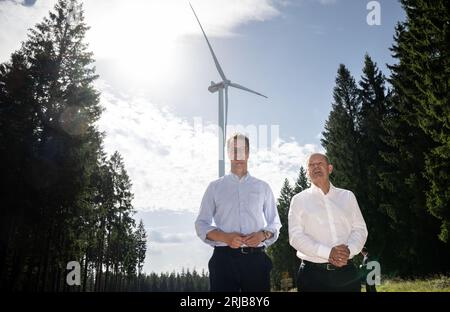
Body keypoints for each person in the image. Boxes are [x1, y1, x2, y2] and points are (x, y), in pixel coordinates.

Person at [195, 133, 281, 292]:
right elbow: (201, 224)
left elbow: (275, 222)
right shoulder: (214, 187)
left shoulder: (263, 187)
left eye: (242, 150)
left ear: (248, 153)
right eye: (234, 150)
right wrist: (225, 237)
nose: (238, 155)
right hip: (223, 261)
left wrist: (262, 235)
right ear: (228, 154)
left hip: (256, 261)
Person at [288, 153, 368, 292]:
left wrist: (349, 251)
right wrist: (328, 253)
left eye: (320, 164)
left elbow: (360, 229)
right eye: (311, 165)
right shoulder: (298, 200)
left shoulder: (347, 196)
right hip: (312, 277)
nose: (316, 167)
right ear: (307, 172)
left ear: (330, 168)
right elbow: (295, 237)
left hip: (346, 274)